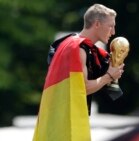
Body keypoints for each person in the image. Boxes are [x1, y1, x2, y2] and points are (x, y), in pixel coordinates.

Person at [33, 4, 124, 141]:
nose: (113, 32)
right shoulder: (78, 48)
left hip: (53, 120)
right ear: (97, 24)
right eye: (110, 26)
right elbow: (82, 88)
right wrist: (109, 76)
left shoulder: (68, 43)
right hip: (64, 125)